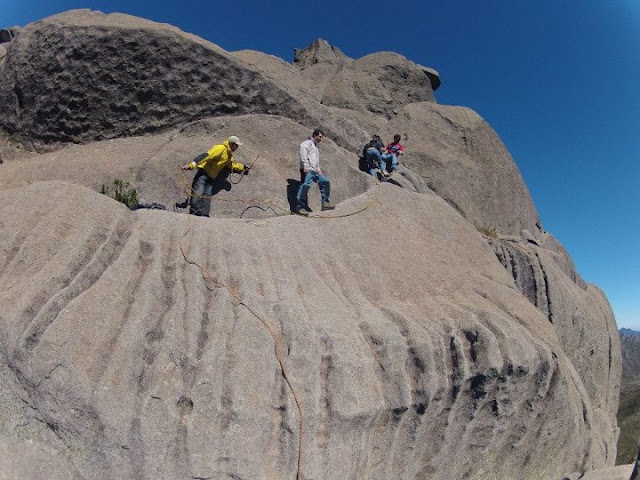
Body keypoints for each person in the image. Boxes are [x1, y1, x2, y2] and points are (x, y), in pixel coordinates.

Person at [180, 135, 249, 217]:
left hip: (211, 179)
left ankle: (205, 216)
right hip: (203, 175)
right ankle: (194, 214)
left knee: (207, 197)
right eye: (236, 145)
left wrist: (242, 167)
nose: (237, 147)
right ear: (231, 144)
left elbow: (230, 166)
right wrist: (192, 165)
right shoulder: (220, 148)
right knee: (197, 194)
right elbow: (206, 156)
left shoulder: (229, 155)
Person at [295, 129, 335, 215]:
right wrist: (305, 164)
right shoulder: (308, 142)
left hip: (315, 170)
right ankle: (299, 208)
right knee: (305, 185)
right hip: (308, 169)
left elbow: (315, 160)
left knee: (325, 181)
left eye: (322, 137)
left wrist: (319, 170)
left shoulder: (315, 147)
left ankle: (325, 204)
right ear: (315, 135)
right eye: (320, 136)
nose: (321, 139)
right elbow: (302, 148)